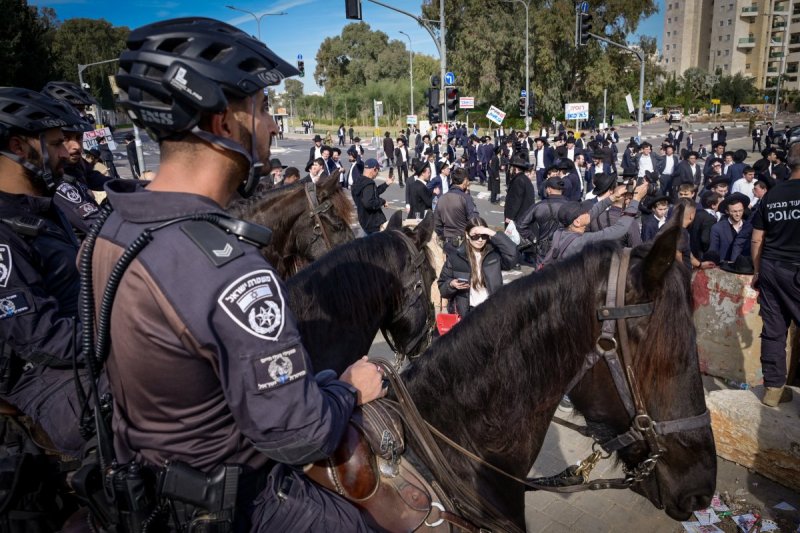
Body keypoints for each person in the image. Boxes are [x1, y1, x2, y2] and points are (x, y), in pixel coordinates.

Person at [90, 18, 384, 531]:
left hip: (147, 484)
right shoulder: (229, 270)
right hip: (235, 500)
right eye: (264, 108)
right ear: (224, 123)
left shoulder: (111, 227)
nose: (272, 125)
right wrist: (352, 388)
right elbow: (300, 434)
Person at [0, 88, 93, 459]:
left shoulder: (41, 208)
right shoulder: (5, 230)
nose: (64, 154)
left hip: (81, 343)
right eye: (55, 144)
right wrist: (121, 339)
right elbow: (39, 337)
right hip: (41, 375)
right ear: (20, 147)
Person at [750, 143, 800, 407]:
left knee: (774, 329)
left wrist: (758, 271)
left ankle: (773, 389)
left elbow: (757, 238)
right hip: (795, 268)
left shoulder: (773, 194)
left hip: (770, 268)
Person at [543, 181, 649, 265]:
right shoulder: (582, 241)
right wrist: (635, 200)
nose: (589, 212)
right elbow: (619, 230)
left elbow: (594, 211)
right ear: (577, 222)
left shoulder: (560, 232)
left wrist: (612, 197)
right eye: (585, 212)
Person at [437, 217, 518, 317]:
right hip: (467, 314)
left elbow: (513, 254)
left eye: (484, 236)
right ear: (467, 235)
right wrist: (451, 284)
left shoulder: (494, 254)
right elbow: (442, 288)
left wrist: (491, 232)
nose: (480, 240)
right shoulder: (456, 257)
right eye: (475, 236)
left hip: (491, 311)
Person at [518, 175, 569, 268]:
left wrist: (533, 238)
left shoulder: (539, 206)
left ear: (549, 189)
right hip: (565, 245)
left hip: (543, 248)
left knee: (542, 278)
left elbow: (521, 224)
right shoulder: (571, 206)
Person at [434, 167, 479, 250]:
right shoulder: (466, 198)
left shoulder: (442, 198)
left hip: (447, 243)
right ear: (465, 180)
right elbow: (474, 221)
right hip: (463, 243)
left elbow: (437, 224)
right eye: (468, 180)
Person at [708, 193, 752, 264]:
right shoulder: (717, 228)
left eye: (740, 211)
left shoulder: (749, 227)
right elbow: (713, 250)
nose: (738, 214)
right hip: (724, 267)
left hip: (746, 268)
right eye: (734, 211)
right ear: (727, 211)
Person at [352, 158, 393, 234]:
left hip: (364, 221)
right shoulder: (369, 183)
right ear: (374, 169)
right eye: (378, 170)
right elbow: (368, 202)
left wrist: (386, 184)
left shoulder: (358, 181)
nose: (377, 173)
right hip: (374, 224)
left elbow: (373, 193)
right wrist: (382, 201)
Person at [504, 153, 536, 228]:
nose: (510, 170)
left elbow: (516, 201)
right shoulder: (525, 179)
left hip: (518, 217)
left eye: (512, 168)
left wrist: (510, 217)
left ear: (515, 169)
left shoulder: (518, 180)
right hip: (524, 215)